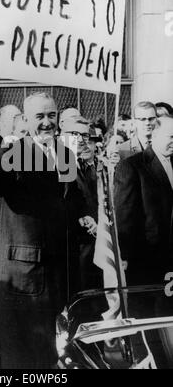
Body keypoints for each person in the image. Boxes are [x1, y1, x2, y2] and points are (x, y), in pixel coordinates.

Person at [0, 93, 95, 369]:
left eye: (52, 115)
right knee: (25, 359)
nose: (47, 123)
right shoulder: (13, 153)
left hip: (62, 275)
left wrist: (84, 217)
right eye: (39, 117)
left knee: (55, 356)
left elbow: (71, 201)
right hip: (25, 279)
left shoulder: (64, 154)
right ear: (25, 120)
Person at [114, 115, 173, 285]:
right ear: (154, 135)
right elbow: (124, 215)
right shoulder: (132, 166)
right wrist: (124, 255)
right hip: (146, 259)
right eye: (171, 137)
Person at [60, 117, 101, 290]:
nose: (81, 139)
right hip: (69, 249)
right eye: (74, 134)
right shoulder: (57, 164)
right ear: (61, 135)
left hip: (89, 248)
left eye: (85, 135)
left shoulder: (83, 164)